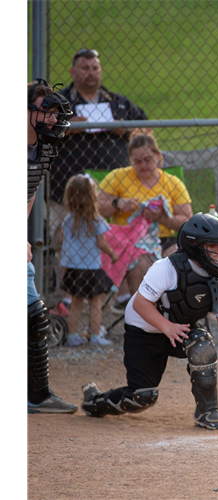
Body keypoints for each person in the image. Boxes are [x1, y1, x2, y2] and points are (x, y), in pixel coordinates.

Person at [81, 214, 218, 430]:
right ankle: (94, 401)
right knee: (142, 397)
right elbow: (140, 303)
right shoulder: (166, 268)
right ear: (194, 246)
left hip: (179, 328)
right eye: (213, 245)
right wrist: (166, 327)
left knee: (202, 345)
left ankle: (207, 412)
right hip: (144, 330)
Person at [49, 48, 149, 253]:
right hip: (66, 190)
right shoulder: (58, 104)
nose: (91, 72)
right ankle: (63, 283)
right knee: (64, 245)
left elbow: (147, 131)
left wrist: (125, 130)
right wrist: (67, 127)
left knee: (113, 245)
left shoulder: (118, 103)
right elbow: (39, 133)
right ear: (72, 71)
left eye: (95, 67)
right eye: (84, 68)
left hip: (114, 190)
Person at [27, 78, 77, 414]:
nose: (52, 120)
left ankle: (38, 395)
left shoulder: (44, 149)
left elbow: (28, 194)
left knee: (33, 314)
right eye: (45, 112)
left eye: (56, 113)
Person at [96, 132, 193, 303]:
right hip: (132, 242)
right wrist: (117, 203)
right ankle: (142, 313)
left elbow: (187, 220)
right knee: (142, 262)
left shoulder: (172, 182)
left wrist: (162, 218)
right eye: (137, 161)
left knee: (179, 257)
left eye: (147, 159)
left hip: (166, 238)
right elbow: (94, 208)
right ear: (131, 160)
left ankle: (174, 310)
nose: (143, 165)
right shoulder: (119, 177)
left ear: (158, 155)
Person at [60, 174, 119, 347]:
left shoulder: (68, 219)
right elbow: (101, 242)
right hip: (91, 267)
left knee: (76, 301)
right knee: (95, 301)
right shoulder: (96, 220)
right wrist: (113, 254)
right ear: (93, 197)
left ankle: (72, 336)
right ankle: (95, 336)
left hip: (72, 266)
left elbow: (62, 239)